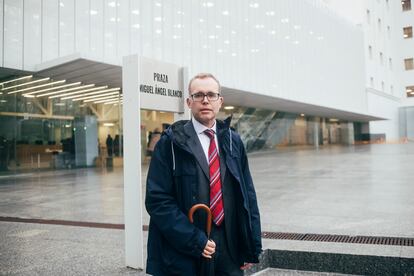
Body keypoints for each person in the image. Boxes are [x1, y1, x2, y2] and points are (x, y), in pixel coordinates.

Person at [145, 73, 262, 275]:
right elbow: (157, 200)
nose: (205, 100)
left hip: (230, 248)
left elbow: (247, 196)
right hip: (185, 248)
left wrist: (250, 246)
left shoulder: (233, 141)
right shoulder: (170, 143)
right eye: (198, 95)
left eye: (211, 94)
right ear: (189, 102)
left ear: (220, 101)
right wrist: (194, 240)